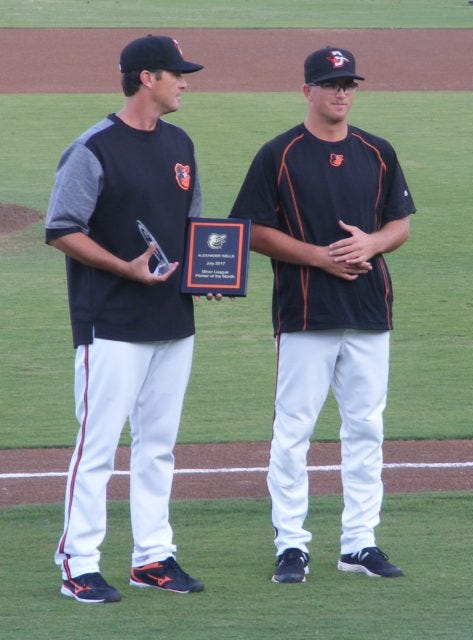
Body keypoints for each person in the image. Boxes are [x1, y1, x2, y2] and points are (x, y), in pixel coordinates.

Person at [229, 46, 415, 583]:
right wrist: (320, 256)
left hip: (369, 312)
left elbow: (399, 224)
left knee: (366, 429)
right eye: (331, 84)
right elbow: (253, 229)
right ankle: (292, 544)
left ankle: (359, 543)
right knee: (293, 432)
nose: (341, 93)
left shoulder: (377, 152)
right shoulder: (279, 154)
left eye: (349, 84)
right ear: (306, 90)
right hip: (305, 313)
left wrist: (372, 244)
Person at [45, 34, 207, 604]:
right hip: (110, 323)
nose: (185, 82)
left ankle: (152, 558)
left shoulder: (181, 143)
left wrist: (208, 276)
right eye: (176, 74)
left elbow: (193, 226)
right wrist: (124, 268)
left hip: (172, 321)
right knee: (97, 449)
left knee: (158, 445)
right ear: (147, 78)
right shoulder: (94, 148)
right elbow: (61, 228)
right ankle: (79, 563)